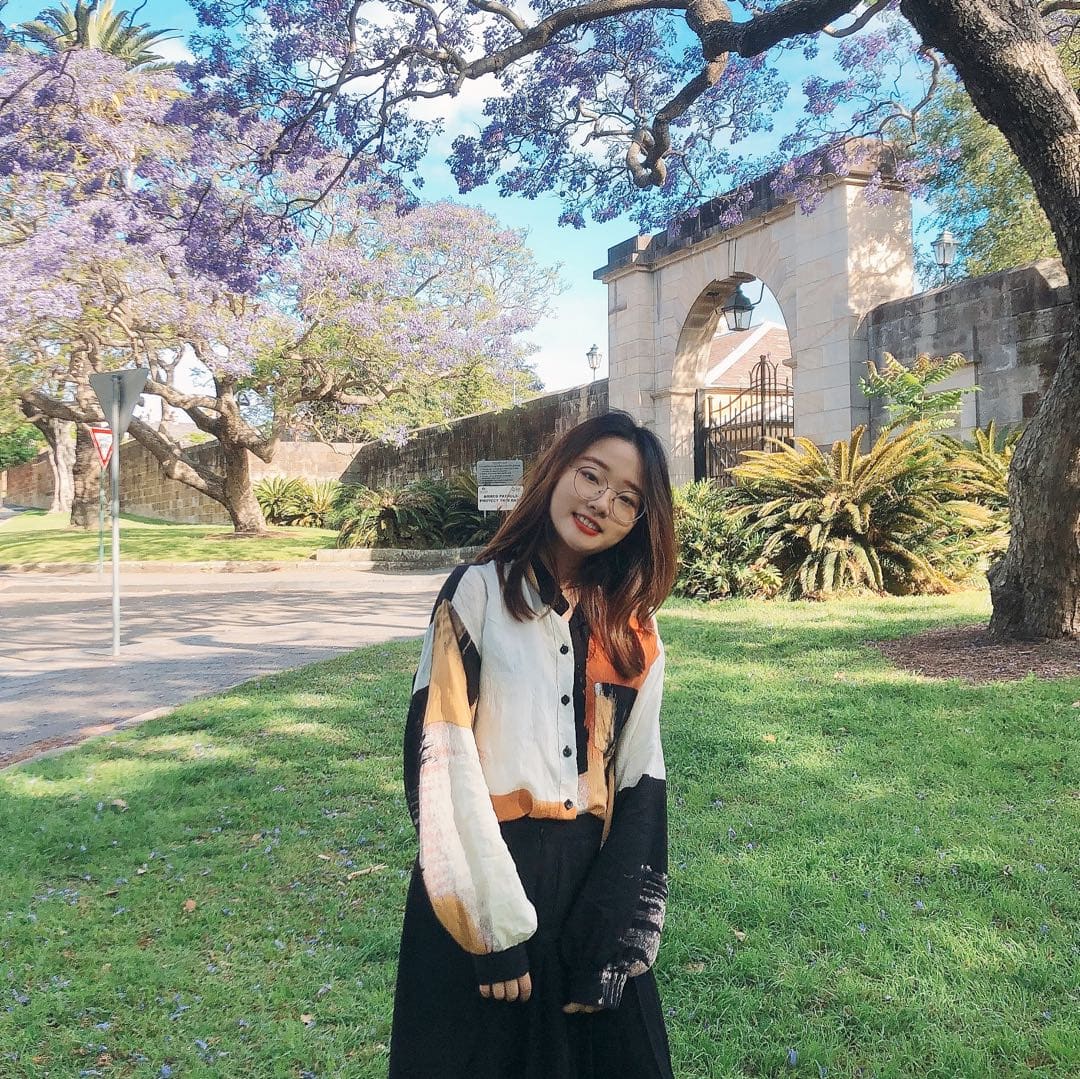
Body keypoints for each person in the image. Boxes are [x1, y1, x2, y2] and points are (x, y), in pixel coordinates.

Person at [388, 410, 678, 1079]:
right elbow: (441, 758)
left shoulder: (633, 627)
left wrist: (612, 933)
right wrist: (488, 930)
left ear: (639, 520)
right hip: (485, 871)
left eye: (627, 498)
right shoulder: (479, 593)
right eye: (592, 476)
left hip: (590, 878)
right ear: (558, 471)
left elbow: (641, 779)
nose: (601, 502)